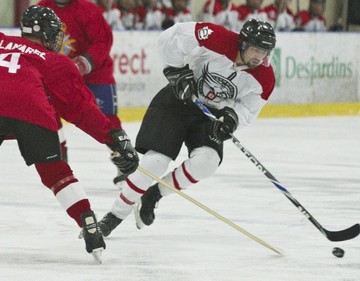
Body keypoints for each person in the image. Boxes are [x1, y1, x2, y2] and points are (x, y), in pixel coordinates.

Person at [98, 19, 276, 236]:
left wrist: (232, 118)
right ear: (243, 43)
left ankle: (154, 194)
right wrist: (176, 70)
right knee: (155, 163)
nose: (260, 56)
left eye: (265, 51)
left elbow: (249, 109)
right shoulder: (215, 38)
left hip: (210, 115)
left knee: (207, 163)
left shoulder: (265, 77)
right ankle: (114, 216)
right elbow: (170, 38)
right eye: (256, 49)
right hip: (177, 101)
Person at [0, 5, 139, 261]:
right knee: (56, 173)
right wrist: (113, 137)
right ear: (50, 35)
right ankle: (87, 220)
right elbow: (80, 109)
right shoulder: (54, 61)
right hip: (33, 112)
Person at [37, 0, 125, 184]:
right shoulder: (43, 8)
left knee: (107, 118)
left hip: (96, 74)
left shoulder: (87, 10)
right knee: (48, 113)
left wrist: (85, 62)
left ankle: (124, 162)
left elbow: (103, 41)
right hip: (59, 75)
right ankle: (58, 161)